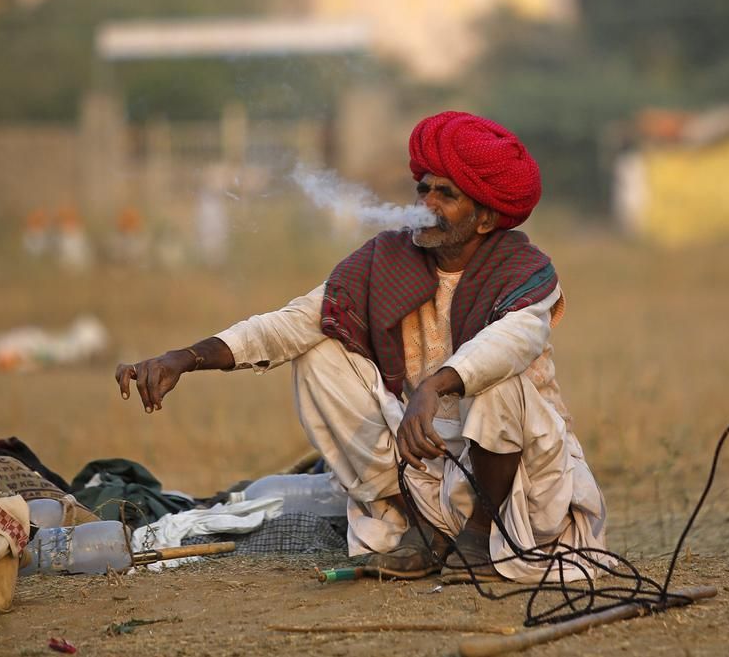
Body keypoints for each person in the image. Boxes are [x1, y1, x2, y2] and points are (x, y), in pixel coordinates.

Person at [115, 111, 607, 584]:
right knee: (318, 351)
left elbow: (510, 342)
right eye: (423, 189)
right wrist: (186, 357)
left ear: (482, 219)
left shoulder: (522, 270)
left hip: (519, 486)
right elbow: (291, 324)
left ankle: (477, 539)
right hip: (425, 469)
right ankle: (426, 531)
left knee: (504, 378)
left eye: (446, 194)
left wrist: (434, 386)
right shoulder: (387, 259)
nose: (426, 203)